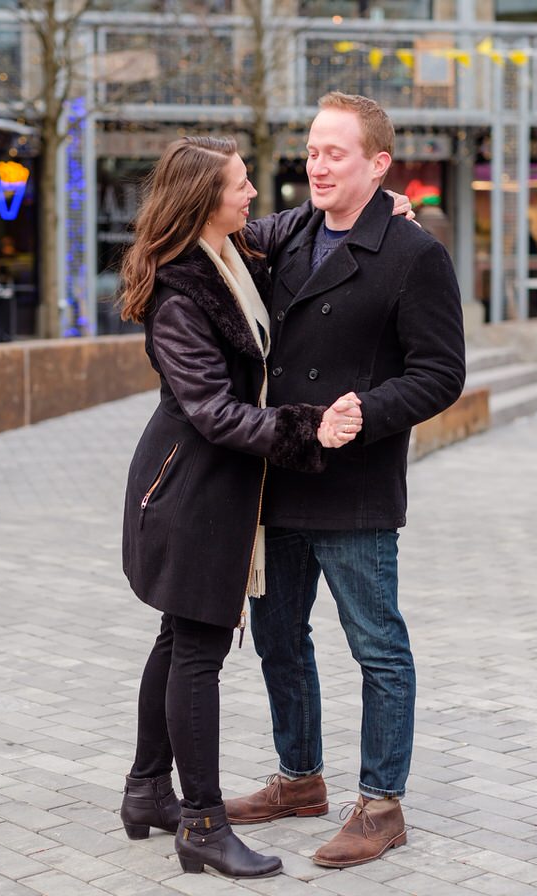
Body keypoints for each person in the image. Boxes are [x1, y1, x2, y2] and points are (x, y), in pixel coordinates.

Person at [117, 135, 365, 880]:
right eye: (240, 183)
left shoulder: (229, 250)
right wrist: (307, 427)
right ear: (204, 200)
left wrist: (379, 203)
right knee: (197, 649)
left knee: (176, 639)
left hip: (213, 487)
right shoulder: (179, 292)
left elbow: (291, 222)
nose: (253, 193)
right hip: (189, 489)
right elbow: (215, 412)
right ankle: (200, 824)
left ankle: (145, 792)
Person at [229, 92, 466, 868]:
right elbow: (213, 234)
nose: (317, 163)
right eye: (312, 150)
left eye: (335, 152)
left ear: (378, 164)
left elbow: (441, 373)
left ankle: (382, 803)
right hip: (281, 472)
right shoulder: (289, 233)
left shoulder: (414, 253)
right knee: (277, 639)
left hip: (355, 485)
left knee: (377, 646)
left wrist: (368, 408)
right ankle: (299, 780)